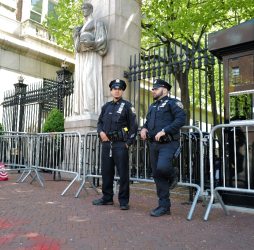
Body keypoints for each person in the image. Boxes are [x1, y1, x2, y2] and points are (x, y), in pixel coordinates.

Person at [140, 79, 186, 217]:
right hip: (153, 144)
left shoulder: (173, 103)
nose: (153, 91)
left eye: (156, 88)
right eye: (153, 89)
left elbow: (180, 120)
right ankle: (164, 206)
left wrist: (165, 130)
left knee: (163, 167)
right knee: (157, 174)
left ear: (164, 90)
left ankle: (173, 175)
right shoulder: (152, 107)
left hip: (168, 142)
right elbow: (148, 122)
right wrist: (143, 128)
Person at [93, 79, 138, 210]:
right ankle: (107, 198)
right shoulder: (106, 107)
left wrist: (128, 143)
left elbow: (133, 126)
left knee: (123, 174)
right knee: (106, 172)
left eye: (119, 89)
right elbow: (100, 122)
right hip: (107, 144)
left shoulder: (128, 106)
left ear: (122, 91)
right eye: (114, 89)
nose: (117, 91)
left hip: (120, 144)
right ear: (111, 91)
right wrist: (100, 132)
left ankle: (123, 200)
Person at [72, 2, 108, 115]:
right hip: (82, 56)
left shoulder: (98, 22)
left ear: (91, 9)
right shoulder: (80, 28)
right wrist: (75, 36)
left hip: (92, 55)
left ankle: (90, 109)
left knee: (89, 79)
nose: (83, 10)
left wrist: (91, 44)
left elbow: (103, 40)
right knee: (81, 82)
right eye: (82, 8)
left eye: (85, 8)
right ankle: (81, 109)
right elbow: (76, 47)